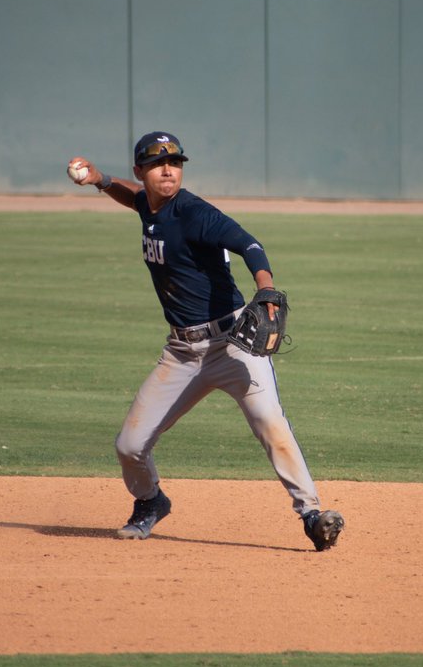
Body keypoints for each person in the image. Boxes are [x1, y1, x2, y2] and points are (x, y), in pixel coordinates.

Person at [68, 132, 345, 552]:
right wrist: (102, 180)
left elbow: (250, 244)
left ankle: (311, 514)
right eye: (159, 164)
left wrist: (266, 289)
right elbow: (135, 199)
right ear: (140, 171)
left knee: (272, 426)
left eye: (176, 163)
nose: (169, 170)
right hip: (181, 353)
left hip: (234, 345)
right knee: (129, 445)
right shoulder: (150, 202)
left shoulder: (197, 213)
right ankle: (150, 503)